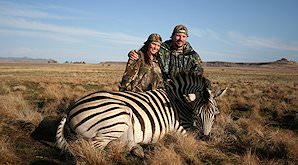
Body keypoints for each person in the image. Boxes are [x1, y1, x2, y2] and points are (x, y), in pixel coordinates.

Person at [129, 24, 204, 81]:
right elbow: (148, 50)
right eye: (178, 36)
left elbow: (198, 74)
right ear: (173, 36)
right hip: (164, 87)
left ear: (186, 38)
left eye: (183, 36)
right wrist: (135, 53)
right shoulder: (162, 48)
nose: (180, 39)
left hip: (184, 89)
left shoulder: (193, 55)